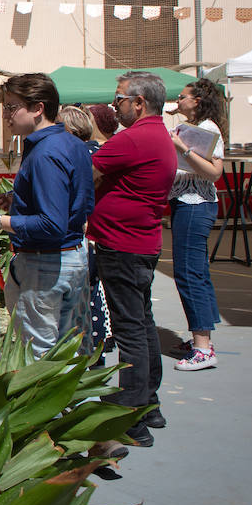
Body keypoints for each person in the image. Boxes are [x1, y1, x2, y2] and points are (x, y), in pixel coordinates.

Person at [88, 71, 178, 450]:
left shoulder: (136, 138)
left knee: (130, 329)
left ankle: (132, 411)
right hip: (138, 243)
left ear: (139, 102)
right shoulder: (157, 135)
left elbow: (86, 171)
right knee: (141, 325)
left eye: (119, 100)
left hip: (123, 246)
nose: (115, 105)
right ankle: (148, 403)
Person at [0, 73, 94, 357]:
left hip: (46, 265)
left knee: (40, 356)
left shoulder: (45, 153)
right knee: (71, 353)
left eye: (11, 107)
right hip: (72, 256)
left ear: (38, 108)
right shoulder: (73, 144)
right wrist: (19, 201)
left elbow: (51, 224)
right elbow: (73, 204)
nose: (6, 115)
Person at [167, 79, 226, 372]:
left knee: (189, 273)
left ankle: (203, 347)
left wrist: (183, 149)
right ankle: (202, 339)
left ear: (198, 101)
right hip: (185, 203)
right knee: (195, 271)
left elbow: (214, 172)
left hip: (196, 204)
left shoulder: (208, 130)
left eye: (183, 97)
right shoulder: (187, 127)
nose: (178, 101)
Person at [58, 105, 113, 359]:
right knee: (94, 291)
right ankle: (100, 342)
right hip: (98, 229)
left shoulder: (81, 154)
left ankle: (90, 351)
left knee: (84, 294)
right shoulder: (97, 151)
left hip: (84, 232)